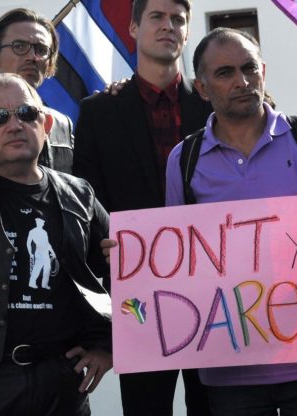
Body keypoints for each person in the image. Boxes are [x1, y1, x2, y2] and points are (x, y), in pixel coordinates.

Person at [161, 27, 297, 415]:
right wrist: (130, 258)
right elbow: (176, 262)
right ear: (202, 88)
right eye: (224, 73)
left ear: (263, 72)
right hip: (229, 374)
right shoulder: (184, 160)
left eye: (249, 68)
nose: (241, 81)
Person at [72, 0, 213, 414]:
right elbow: (88, 201)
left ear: (187, 32)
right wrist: (103, 244)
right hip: (138, 297)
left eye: (178, 20)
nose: (168, 26)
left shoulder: (217, 106)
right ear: (132, 28)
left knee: (219, 407)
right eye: (156, 17)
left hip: (217, 295)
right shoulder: (98, 112)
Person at [0, 73, 111, 415]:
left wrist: (106, 345)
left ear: (46, 123)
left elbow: (124, 267)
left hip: (63, 382)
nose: (14, 125)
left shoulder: (79, 194)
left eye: (26, 113)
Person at [0, 8, 74, 173]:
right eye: (19, 46)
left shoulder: (62, 123)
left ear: (50, 64)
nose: (33, 57)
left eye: (42, 50)